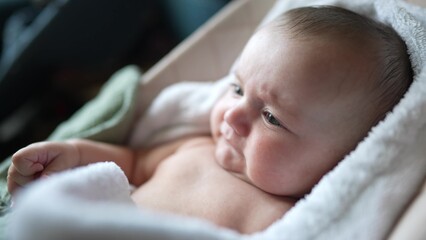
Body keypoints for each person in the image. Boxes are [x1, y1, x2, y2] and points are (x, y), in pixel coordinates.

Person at [6, 6, 412, 234]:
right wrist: (72, 153)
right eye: (237, 89)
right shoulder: (192, 148)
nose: (233, 113)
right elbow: (128, 163)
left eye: (271, 117)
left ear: (344, 158)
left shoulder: (293, 220)